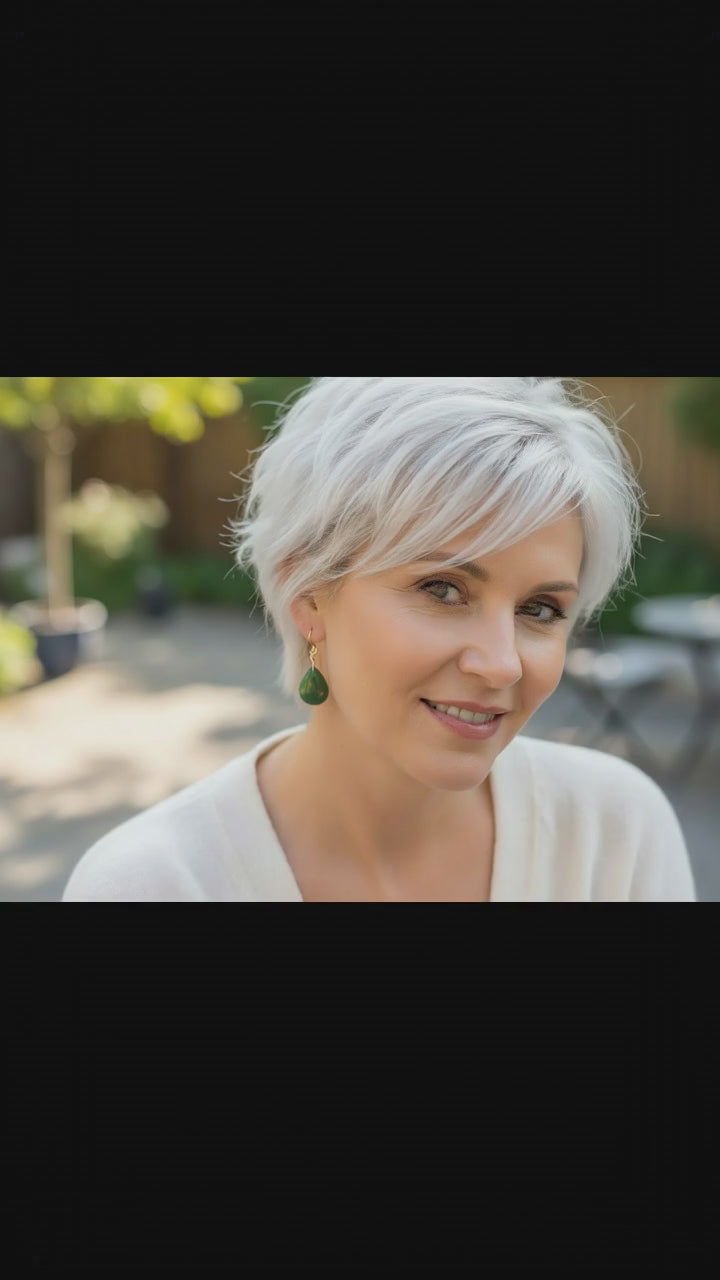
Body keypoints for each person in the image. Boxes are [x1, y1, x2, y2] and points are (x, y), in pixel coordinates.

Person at [62, 376, 697, 902]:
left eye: (540, 608)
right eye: (443, 590)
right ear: (308, 595)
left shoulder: (614, 834)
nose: (501, 664)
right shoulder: (151, 884)